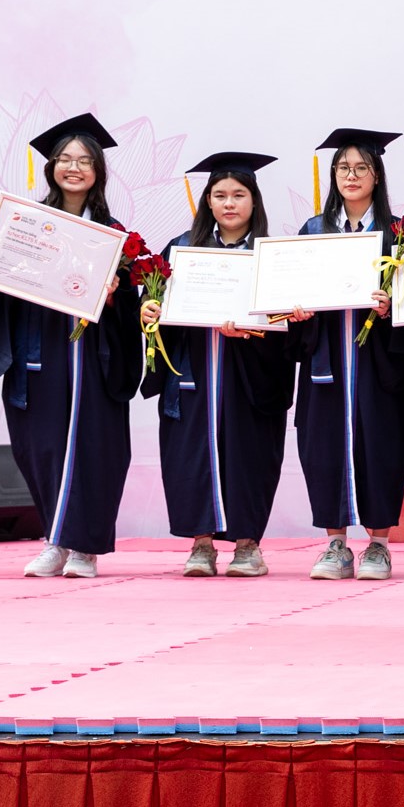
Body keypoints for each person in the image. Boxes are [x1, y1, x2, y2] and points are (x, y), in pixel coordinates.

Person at [0, 114, 143, 579]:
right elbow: (4, 290)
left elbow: (132, 302)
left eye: (85, 161)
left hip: (95, 353)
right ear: (50, 167)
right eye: (65, 159)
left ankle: (84, 548)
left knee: (97, 445)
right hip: (41, 346)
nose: (74, 167)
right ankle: (55, 539)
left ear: (98, 172)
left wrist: (116, 293)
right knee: (42, 443)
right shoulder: (27, 224)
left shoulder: (116, 233)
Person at [137, 153, 294, 578]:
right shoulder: (182, 250)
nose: (229, 203)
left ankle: (247, 546)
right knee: (192, 454)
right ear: (207, 201)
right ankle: (201, 545)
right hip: (193, 375)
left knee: (250, 456)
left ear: (254, 201)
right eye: (219, 195)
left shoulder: (273, 254)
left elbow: (287, 327)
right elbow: (157, 306)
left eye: (238, 195)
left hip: (251, 376)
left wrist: (257, 330)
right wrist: (149, 312)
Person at [288, 128, 404, 581]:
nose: (352, 175)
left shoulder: (399, 233)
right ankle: (335, 543)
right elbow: (294, 292)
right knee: (324, 448)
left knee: (382, 446)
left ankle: (378, 545)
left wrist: (393, 303)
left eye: (362, 167)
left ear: (377, 176)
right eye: (344, 168)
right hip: (326, 362)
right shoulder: (314, 231)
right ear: (333, 175)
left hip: (380, 365)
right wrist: (297, 311)